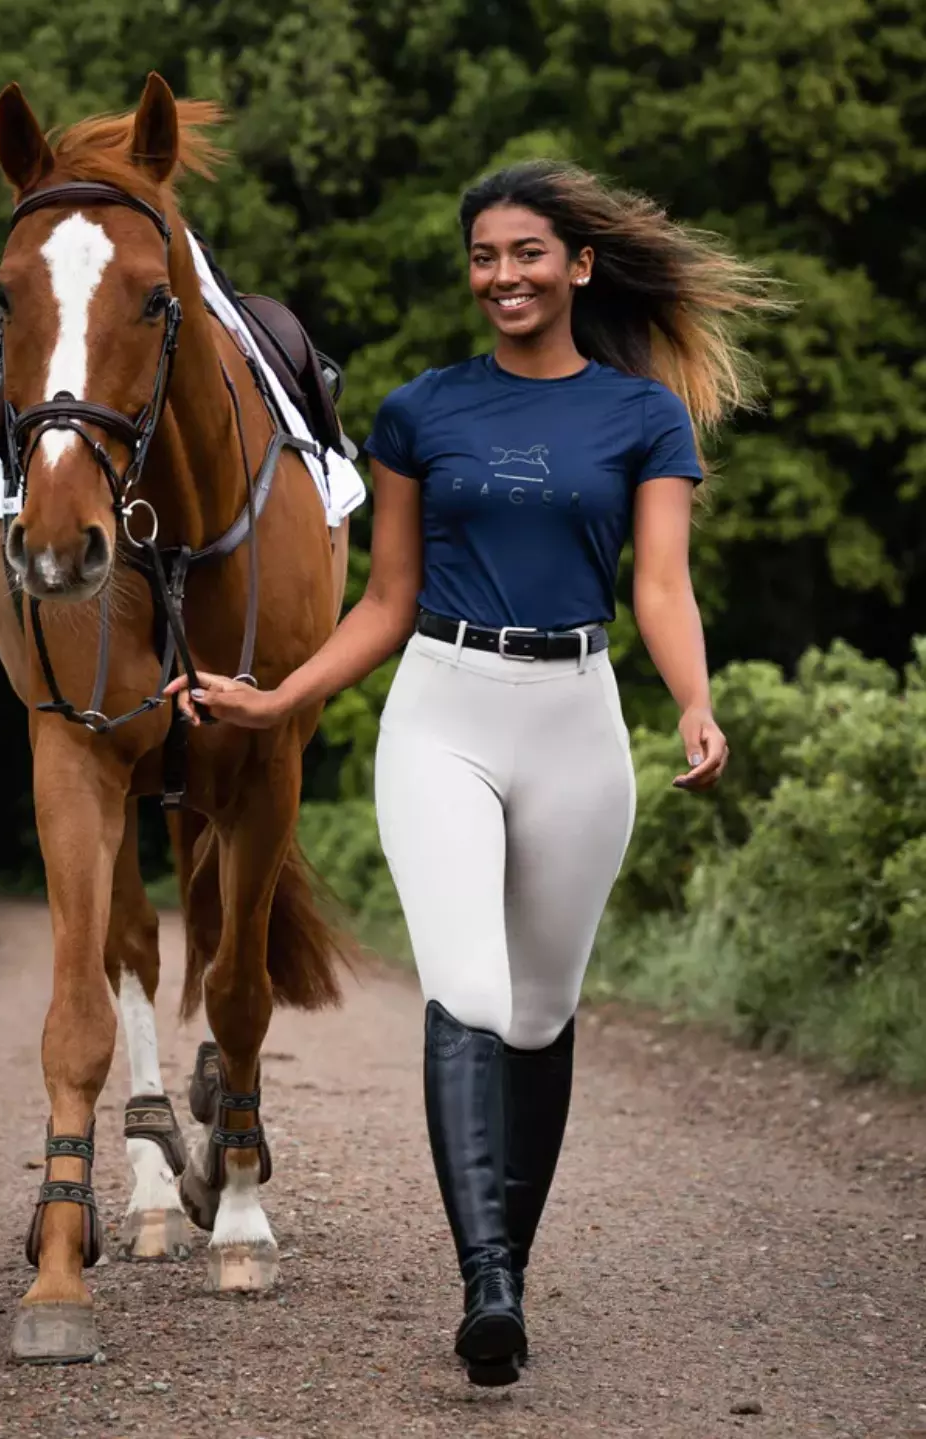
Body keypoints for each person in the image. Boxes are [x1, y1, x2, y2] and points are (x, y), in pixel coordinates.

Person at [167, 159, 777, 1386]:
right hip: (442, 709)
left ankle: (512, 1259)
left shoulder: (644, 417)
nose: (503, 275)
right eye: (485, 257)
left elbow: (660, 584)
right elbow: (387, 598)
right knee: (468, 990)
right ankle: (485, 1280)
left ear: (579, 266)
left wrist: (697, 702)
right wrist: (282, 695)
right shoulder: (419, 412)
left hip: (577, 712)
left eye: (527, 254)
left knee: (543, 1013)